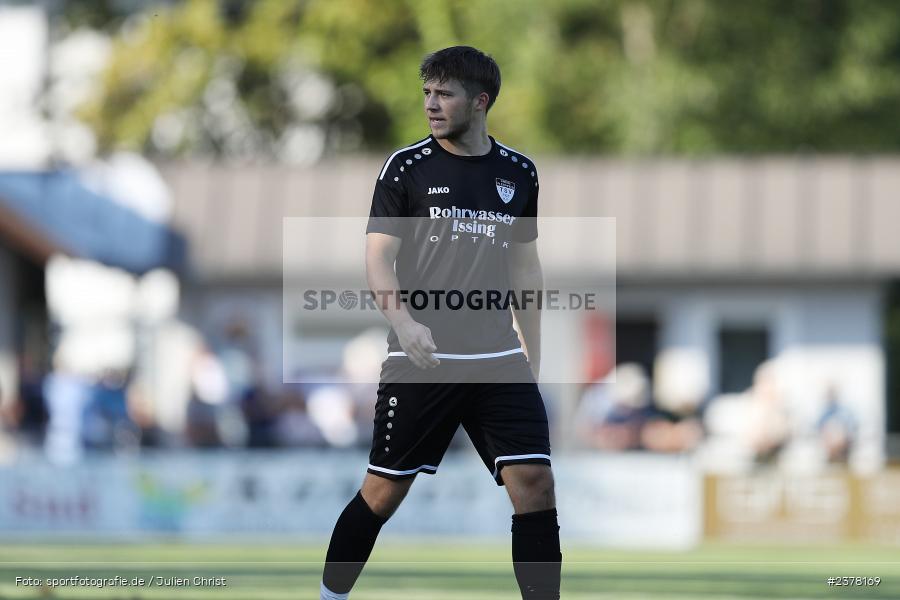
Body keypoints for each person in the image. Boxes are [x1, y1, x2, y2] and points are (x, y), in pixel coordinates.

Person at [320, 46, 561, 600]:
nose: (431, 103)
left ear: (480, 102)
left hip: (498, 357)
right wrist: (403, 323)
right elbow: (377, 257)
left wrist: (535, 358)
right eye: (427, 92)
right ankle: (329, 597)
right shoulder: (406, 168)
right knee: (382, 493)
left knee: (535, 483)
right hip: (422, 358)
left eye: (444, 93)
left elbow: (526, 267)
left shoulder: (519, 173)